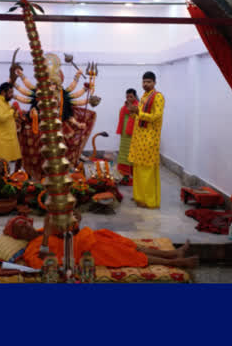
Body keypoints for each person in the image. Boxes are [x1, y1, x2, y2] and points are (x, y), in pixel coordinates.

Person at [14, 219, 198, 270]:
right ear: (18, 235)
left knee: (127, 245)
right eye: (21, 228)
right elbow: (41, 264)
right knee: (129, 255)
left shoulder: (40, 231)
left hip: (88, 238)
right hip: (85, 252)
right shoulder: (32, 248)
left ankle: (171, 254)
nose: (27, 227)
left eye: (25, 223)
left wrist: (74, 220)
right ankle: (175, 262)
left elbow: (65, 231)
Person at [128, 72, 165, 209]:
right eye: (144, 82)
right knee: (138, 169)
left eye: (149, 82)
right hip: (139, 138)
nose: (146, 84)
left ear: (154, 82)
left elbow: (156, 116)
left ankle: (150, 201)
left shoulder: (158, 97)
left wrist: (139, 113)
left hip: (150, 139)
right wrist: (132, 112)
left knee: (147, 171)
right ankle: (139, 198)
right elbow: (138, 117)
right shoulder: (143, 97)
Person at [0, 82, 22, 173]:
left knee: (6, 164)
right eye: (10, 92)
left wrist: (16, 112)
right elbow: (2, 118)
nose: (12, 95)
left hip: (8, 137)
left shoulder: (6, 103)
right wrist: (12, 110)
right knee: (0, 163)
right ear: (3, 92)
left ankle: (6, 179)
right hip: (0, 138)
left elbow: (10, 117)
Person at [116, 88, 139, 184]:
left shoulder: (138, 108)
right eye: (127, 96)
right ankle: (124, 176)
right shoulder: (123, 108)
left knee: (132, 154)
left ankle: (134, 176)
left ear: (135, 97)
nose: (129, 98)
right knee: (123, 154)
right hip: (124, 135)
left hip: (135, 135)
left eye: (131, 96)